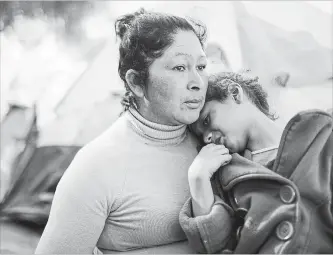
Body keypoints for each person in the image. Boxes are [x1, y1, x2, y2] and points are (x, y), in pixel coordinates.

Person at [35, 8, 222, 254]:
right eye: (179, 67)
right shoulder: (97, 166)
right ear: (136, 82)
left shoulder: (214, 137)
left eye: (201, 66)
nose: (197, 82)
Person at [179, 71, 333, 253]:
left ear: (235, 94)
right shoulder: (228, 176)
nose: (207, 138)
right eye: (201, 136)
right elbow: (218, 244)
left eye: (206, 120)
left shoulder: (320, 134)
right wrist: (198, 179)